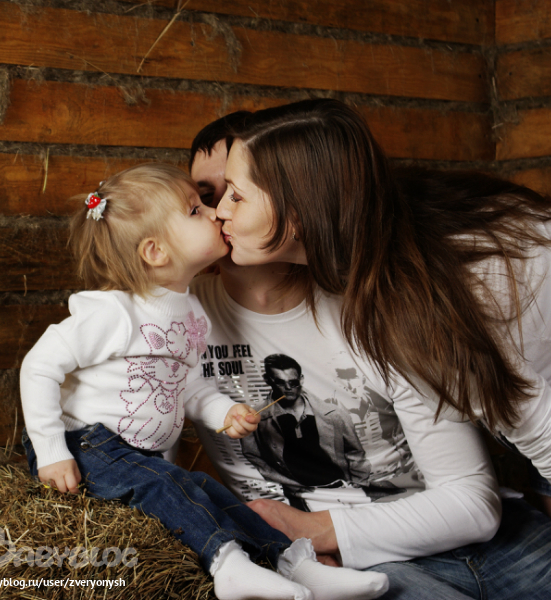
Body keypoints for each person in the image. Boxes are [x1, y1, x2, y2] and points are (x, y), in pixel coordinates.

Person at [186, 104, 551, 599]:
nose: (219, 212)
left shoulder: (417, 298)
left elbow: (544, 433)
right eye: (208, 197)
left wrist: (323, 529)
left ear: (298, 208)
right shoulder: (361, 272)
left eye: (236, 195)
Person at [20, 162, 390, 600]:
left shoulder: (192, 313)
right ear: (155, 252)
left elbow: (190, 386)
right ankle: (227, 565)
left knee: (209, 490)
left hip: (141, 456)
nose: (216, 212)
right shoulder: (114, 312)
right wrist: (51, 450)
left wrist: (224, 412)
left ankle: (296, 563)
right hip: (88, 445)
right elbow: (38, 367)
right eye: (196, 210)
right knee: (167, 485)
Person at [241, 353, 387, 511]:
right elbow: (253, 455)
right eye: (280, 382)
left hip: (342, 490)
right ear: (267, 380)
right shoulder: (256, 417)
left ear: (301, 379)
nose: (288, 388)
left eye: (293, 382)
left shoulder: (334, 413)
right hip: (299, 497)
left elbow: (355, 453)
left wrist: (358, 486)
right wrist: (290, 484)